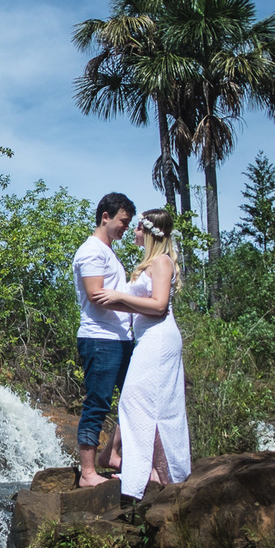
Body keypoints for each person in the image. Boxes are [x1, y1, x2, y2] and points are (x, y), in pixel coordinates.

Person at [94, 208, 191, 499]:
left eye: (138, 228)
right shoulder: (148, 264)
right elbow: (138, 306)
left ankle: (142, 473)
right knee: (146, 402)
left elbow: (159, 306)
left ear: (149, 232)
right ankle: (154, 471)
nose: (133, 232)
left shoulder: (161, 263)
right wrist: (107, 304)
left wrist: (120, 297)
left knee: (137, 400)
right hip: (148, 337)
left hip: (159, 339)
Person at [71, 192, 135, 488]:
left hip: (120, 338)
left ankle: (112, 454)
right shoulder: (91, 251)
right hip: (100, 338)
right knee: (98, 403)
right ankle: (87, 474)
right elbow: (96, 295)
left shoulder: (108, 251)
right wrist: (140, 305)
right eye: (123, 221)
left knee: (135, 399)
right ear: (105, 216)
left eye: (129, 222)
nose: (126, 227)